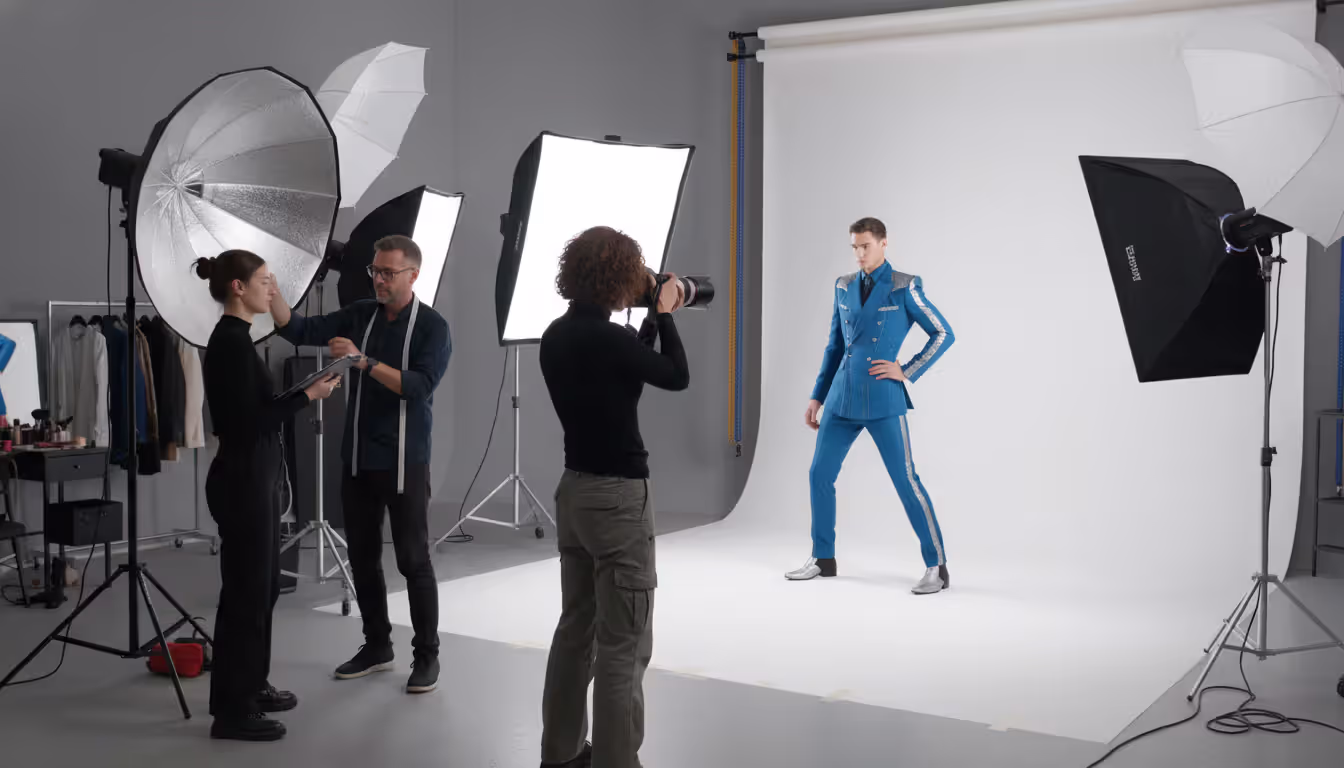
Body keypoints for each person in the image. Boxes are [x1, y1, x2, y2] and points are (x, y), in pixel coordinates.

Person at [270, 234, 450, 694]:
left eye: (388, 273)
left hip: (406, 459)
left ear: (413, 274)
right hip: (358, 458)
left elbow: (418, 386)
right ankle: (377, 646)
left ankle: (427, 657)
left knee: (413, 560)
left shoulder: (433, 327)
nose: (379, 280)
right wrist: (273, 297)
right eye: (375, 271)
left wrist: (363, 362)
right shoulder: (361, 313)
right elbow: (301, 330)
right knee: (363, 558)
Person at [537, 226, 688, 768]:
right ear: (620, 276)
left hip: (574, 494)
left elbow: (624, 375)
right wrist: (665, 313)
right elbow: (676, 376)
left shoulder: (557, 335)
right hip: (618, 500)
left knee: (575, 630)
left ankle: (560, 754)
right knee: (624, 645)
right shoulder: (610, 341)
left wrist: (647, 323)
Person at [196, 250, 341, 742]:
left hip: (254, 478)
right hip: (241, 482)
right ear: (237, 287)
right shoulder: (231, 344)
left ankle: (251, 685)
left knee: (265, 588)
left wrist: (304, 391)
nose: (271, 289)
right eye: (263, 281)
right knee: (244, 594)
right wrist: (308, 398)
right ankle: (231, 711)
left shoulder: (241, 339)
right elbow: (248, 423)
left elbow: (256, 408)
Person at [786, 217, 956, 594]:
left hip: (883, 398)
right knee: (819, 474)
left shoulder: (904, 286)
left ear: (883, 243)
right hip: (842, 396)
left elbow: (944, 333)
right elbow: (834, 346)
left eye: (866, 246)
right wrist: (817, 395)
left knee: (906, 480)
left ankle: (936, 566)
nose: (860, 254)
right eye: (855, 247)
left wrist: (907, 370)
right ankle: (823, 558)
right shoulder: (843, 286)